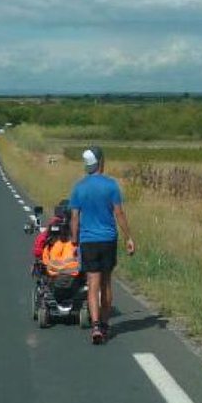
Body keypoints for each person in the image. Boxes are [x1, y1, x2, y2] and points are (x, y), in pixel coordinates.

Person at [69, 146, 135, 344]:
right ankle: (105, 325)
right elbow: (119, 213)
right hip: (108, 239)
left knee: (92, 283)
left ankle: (96, 325)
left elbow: (74, 218)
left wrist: (74, 241)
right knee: (106, 282)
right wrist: (129, 237)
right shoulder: (111, 186)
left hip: (88, 241)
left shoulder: (79, 188)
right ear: (101, 163)